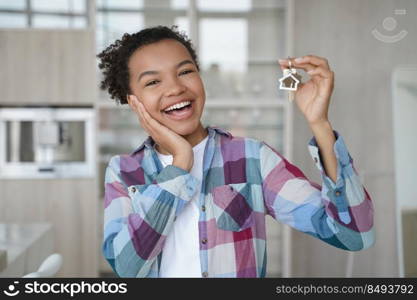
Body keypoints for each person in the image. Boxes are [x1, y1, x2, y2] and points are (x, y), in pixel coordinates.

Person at [97, 25, 375, 278]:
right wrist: (180, 163)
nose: (176, 88)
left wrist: (320, 124)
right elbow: (127, 267)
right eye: (153, 82)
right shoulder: (123, 171)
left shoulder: (252, 158)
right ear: (133, 102)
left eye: (185, 71)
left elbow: (355, 235)